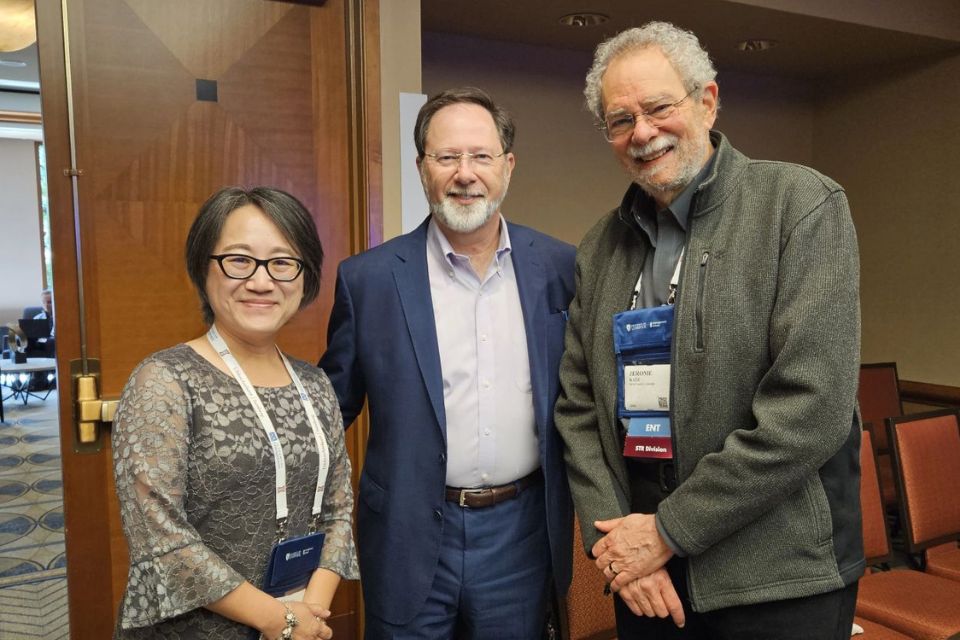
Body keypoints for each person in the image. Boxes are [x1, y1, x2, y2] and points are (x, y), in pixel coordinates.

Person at [555, 22, 863, 639]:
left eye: (658, 107)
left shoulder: (799, 205)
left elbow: (811, 409)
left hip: (777, 580)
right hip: (647, 582)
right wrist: (618, 545)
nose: (642, 132)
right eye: (620, 120)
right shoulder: (599, 247)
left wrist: (668, 530)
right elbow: (579, 408)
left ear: (707, 100)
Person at [320, 87, 575, 639]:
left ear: (507, 166)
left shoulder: (561, 267)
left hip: (521, 536)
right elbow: (328, 413)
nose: (465, 173)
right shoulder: (369, 281)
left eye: (481, 156)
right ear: (421, 168)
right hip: (407, 535)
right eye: (446, 157)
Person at [112, 187, 358, 640]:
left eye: (282, 262)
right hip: (194, 629)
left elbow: (338, 510)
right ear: (203, 269)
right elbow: (161, 539)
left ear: (306, 276)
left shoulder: (315, 384)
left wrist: (308, 614)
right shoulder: (164, 380)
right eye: (239, 260)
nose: (262, 282)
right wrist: (278, 621)